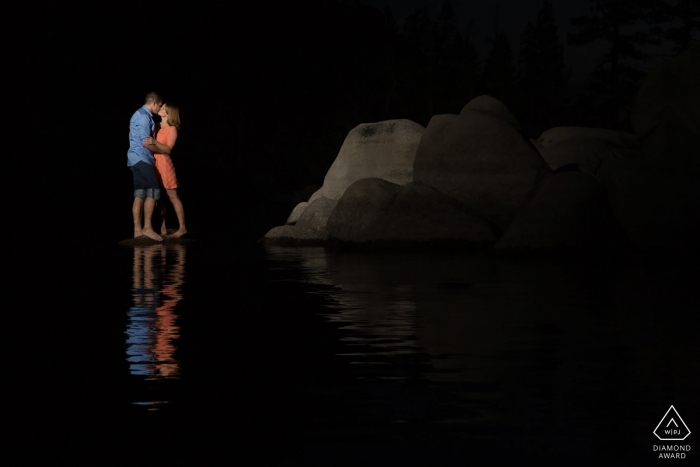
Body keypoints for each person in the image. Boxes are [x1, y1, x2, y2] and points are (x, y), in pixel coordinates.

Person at [142, 102, 187, 238]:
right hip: (154, 163)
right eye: (160, 107)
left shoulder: (172, 129)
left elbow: (168, 149)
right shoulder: (156, 126)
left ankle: (182, 227)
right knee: (159, 198)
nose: (160, 108)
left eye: (163, 108)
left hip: (165, 164)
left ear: (169, 113)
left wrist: (155, 142)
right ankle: (163, 226)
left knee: (173, 197)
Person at [128, 92, 164, 241]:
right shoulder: (143, 116)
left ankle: (138, 230)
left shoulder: (142, 115)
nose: (160, 108)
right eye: (160, 105)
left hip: (135, 158)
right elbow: (145, 143)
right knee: (154, 190)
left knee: (140, 193)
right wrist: (162, 150)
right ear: (154, 103)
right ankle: (148, 228)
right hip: (142, 158)